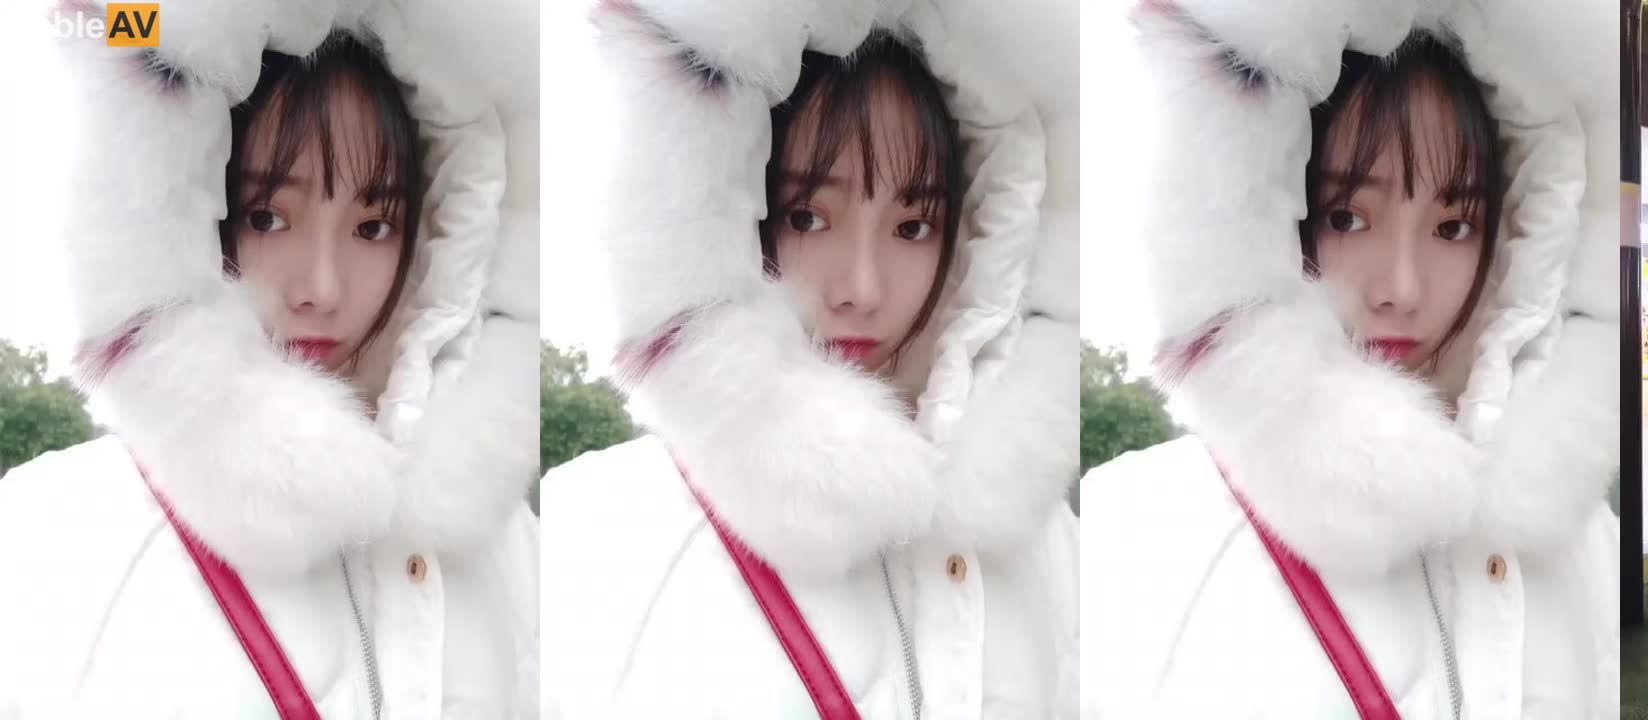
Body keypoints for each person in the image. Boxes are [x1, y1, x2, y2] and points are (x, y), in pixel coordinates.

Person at [1079, 1, 1619, 717]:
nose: (1402, 287)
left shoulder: (1584, 539)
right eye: (1348, 216)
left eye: (1453, 226)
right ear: (1273, 215)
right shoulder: (1138, 532)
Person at [541, 4, 1078, 716]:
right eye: (808, 216)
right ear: (731, 215)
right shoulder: (600, 530)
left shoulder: (1045, 540)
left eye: (913, 226)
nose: (862, 287)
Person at [0, 17, 539, 719]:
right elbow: (111, 18)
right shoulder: (54, 532)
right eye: (266, 217)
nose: (322, 288)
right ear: (191, 213)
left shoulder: (510, 546)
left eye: (373, 227)